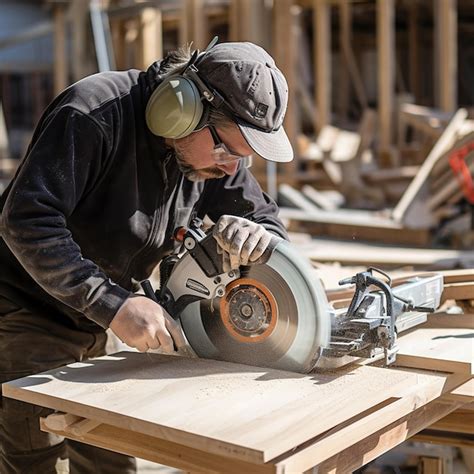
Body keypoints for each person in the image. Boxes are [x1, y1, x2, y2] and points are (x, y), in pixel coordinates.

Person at [0, 39, 293, 473]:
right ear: (182, 109)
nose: (231, 166)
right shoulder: (93, 114)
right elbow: (25, 220)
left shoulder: (208, 155)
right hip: (30, 310)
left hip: (107, 316)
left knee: (111, 454)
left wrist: (260, 233)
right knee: (36, 457)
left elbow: (263, 215)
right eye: (227, 150)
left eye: (243, 157)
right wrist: (111, 304)